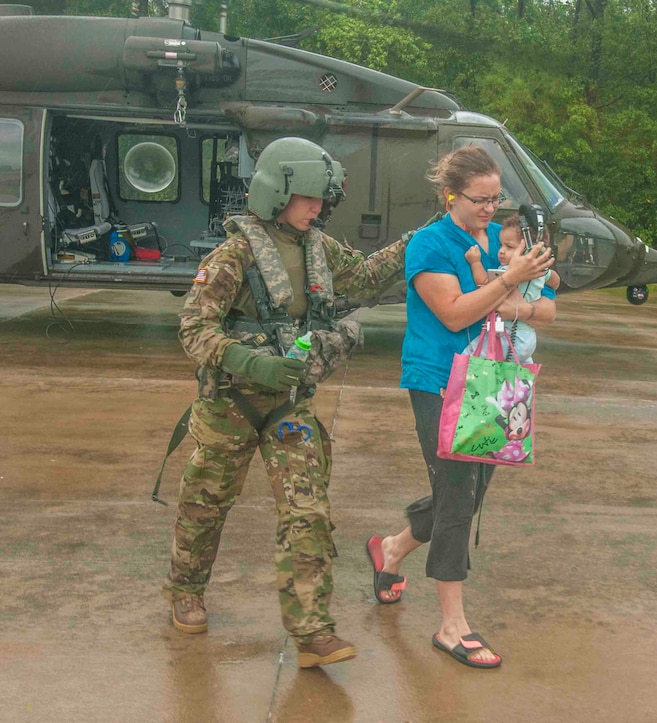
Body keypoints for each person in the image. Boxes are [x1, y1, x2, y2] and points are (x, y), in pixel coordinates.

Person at [162, 137, 407, 668]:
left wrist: (419, 241)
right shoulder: (233, 256)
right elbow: (193, 328)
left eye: (323, 199)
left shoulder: (319, 247)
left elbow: (365, 276)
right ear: (277, 192)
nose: (318, 208)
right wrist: (252, 363)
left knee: (307, 512)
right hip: (229, 407)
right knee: (204, 508)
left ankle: (313, 632)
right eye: (308, 198)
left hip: (288, 408)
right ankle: (186, 589)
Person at [365, 145, 555, 669]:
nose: (491, 210)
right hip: (440, 379)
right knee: (455, 491)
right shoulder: (428, 245)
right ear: (452, 194)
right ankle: (453, 625)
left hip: (494, 377)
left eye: (497, 199)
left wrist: (519, 292)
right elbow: (453, 315)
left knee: (470, 493)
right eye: (480, 200)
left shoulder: (499, 238)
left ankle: (393, 549)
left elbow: (549, 307)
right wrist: (508, 286)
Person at [464, 213, 560, 363]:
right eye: (501, 245)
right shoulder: (539, 268)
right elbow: (555, 281)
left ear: (529, 250)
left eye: (509, 247)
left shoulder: (511, 270)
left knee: (469, 356)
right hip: (528, 336)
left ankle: (457, 385)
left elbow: (483, 282)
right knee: (518, 375)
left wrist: (475, 261)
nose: (501, 250)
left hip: (509, 335)